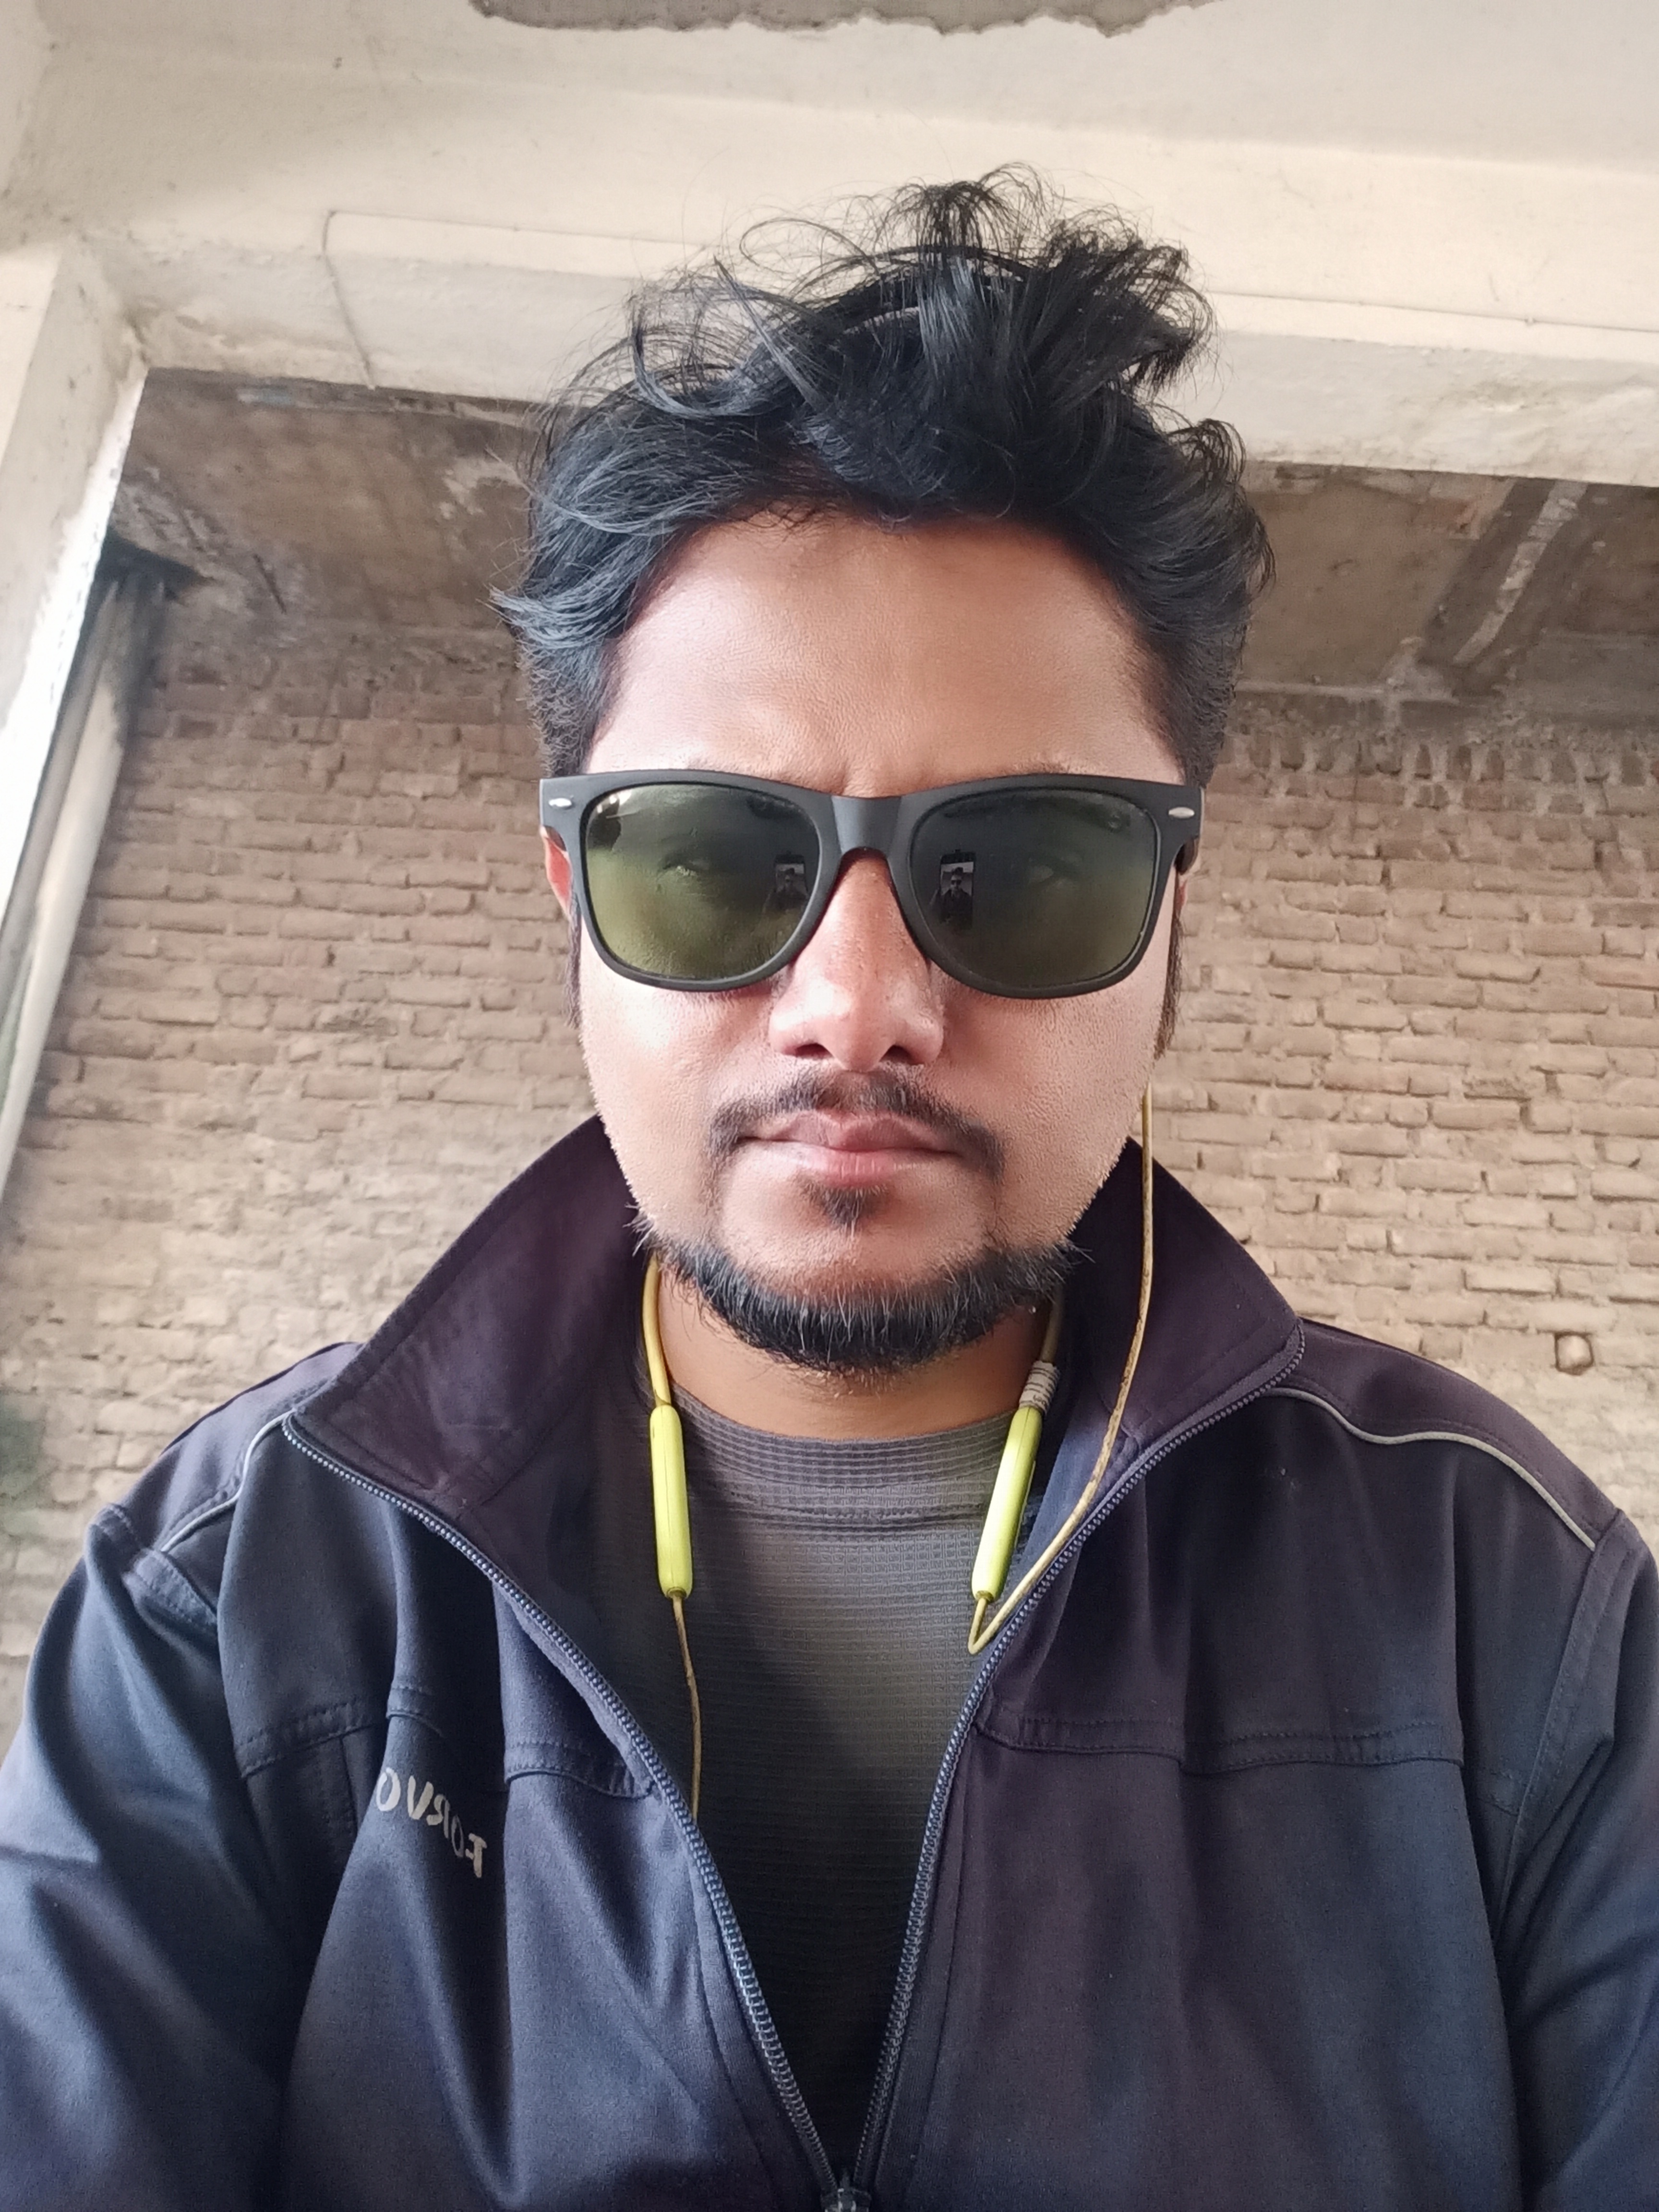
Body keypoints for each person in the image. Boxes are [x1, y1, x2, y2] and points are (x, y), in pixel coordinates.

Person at [0, 174, 1655, 2212]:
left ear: (1169, 925)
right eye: (714, 859)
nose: (856, 1006)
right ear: (574, 904)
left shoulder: (1508, 1605)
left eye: (1021, 867)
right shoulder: (234, 1590)